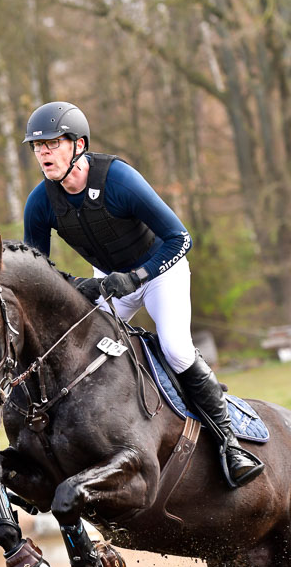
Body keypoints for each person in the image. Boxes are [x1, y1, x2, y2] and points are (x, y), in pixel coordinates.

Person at [22, 100, 264, 488]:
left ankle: (230, 444)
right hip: (110, 279)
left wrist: (137, 277)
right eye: (37, 146)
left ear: (79, 145)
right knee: (74, 344)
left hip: (160, 269)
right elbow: (39, 271)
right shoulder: (40, 202)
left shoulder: (119, 180)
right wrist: (74, 283)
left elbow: (180, 238)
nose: (43, 153)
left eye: (52, 143)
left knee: (177, 349)